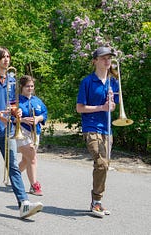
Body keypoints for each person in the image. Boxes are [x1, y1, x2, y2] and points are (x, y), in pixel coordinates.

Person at [0, 46, 43, 219]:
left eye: (8, 56)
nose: (7, 59)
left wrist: (16, 111)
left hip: (8, 130)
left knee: (12, 166)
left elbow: (12, 103)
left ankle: (24, 203)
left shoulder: (11, 79)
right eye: (3, 57)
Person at [76, 46, 118, 218]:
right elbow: (79, 108)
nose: (107, 61)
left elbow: (112, 106)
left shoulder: (113, 82)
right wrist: (102, 107)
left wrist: (111, 105)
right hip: (91, 127)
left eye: (109, 58)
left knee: (104, 166)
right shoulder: (87, 82)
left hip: (107, 128)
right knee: (101, 163)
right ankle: (97, 202)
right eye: (103, 58)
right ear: (95, 61)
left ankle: (97, 201)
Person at [16, 75, 48, 196]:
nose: (30, 88)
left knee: (26, 160)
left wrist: (38, 118)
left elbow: (45, 113)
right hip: (22, 131)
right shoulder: (16, 101)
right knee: (33, 158)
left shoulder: (37, 100)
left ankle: (14, 176)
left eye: (32, 86)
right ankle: (34, 185)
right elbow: (9, 117)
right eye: (27, 86)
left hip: (35, 132)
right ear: (22, 87)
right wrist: (23, 120)